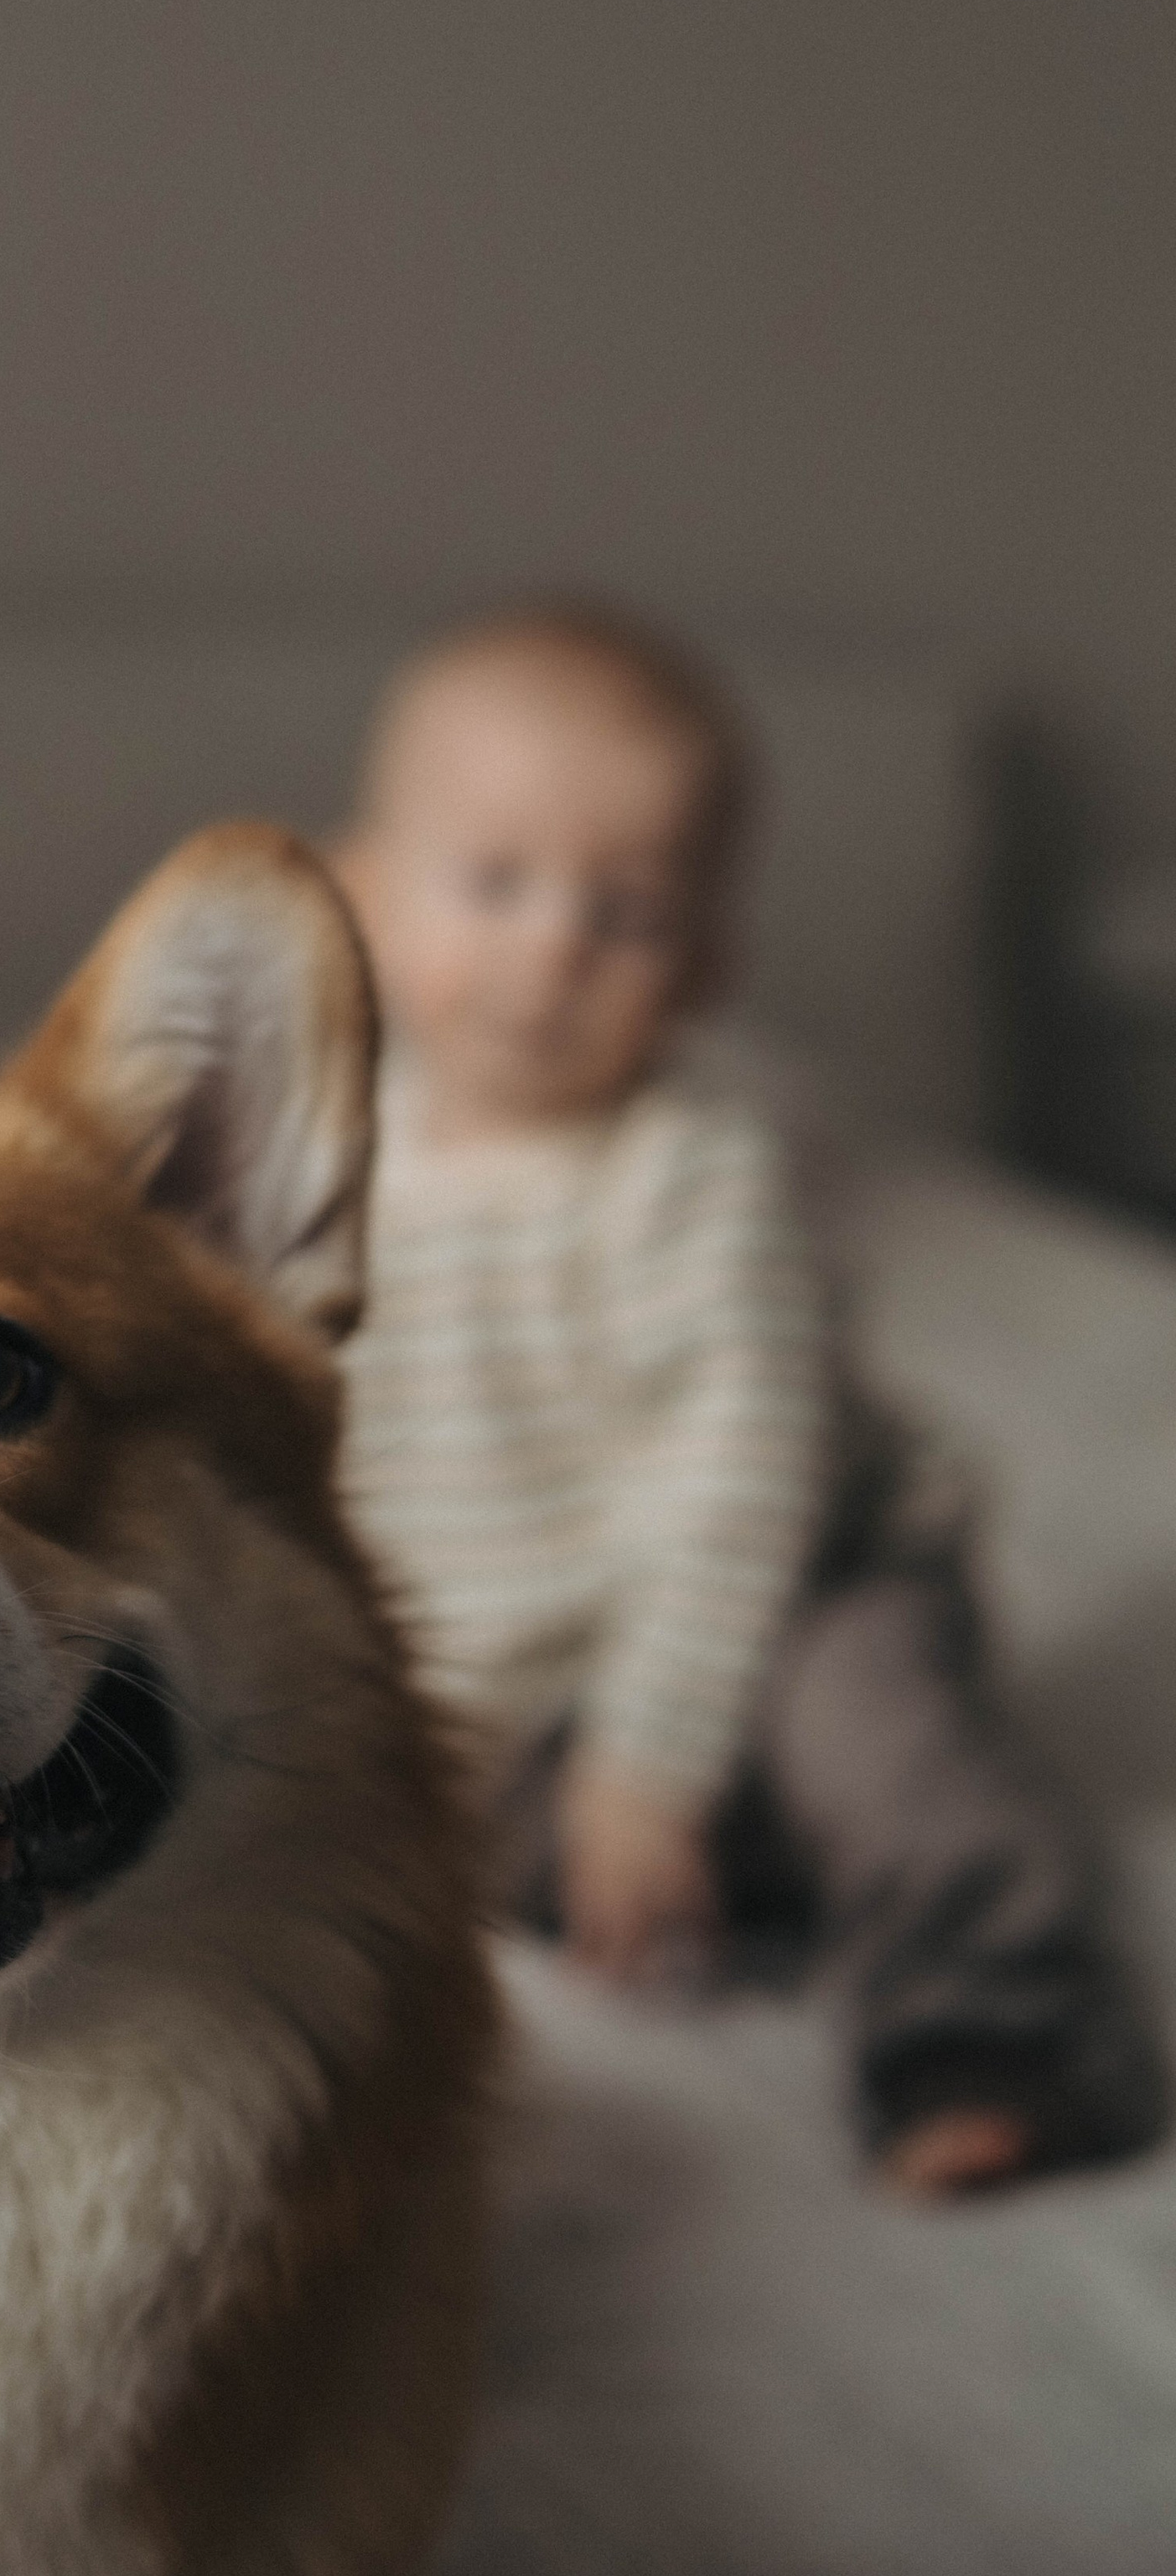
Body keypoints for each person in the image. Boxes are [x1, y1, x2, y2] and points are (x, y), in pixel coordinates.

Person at [334, 600, 1162, 2196]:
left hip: (796, 1586)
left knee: (878, 1741)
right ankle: (725, 1878)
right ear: (363, 894)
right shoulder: (329, 1165)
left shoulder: (693, 1173)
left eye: (628, 913)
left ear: (709, 965)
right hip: (535, 1662)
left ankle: (1002, 2026)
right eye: (495, 883)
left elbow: (740, 1485)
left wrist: (649, 1763)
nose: (555, 948)